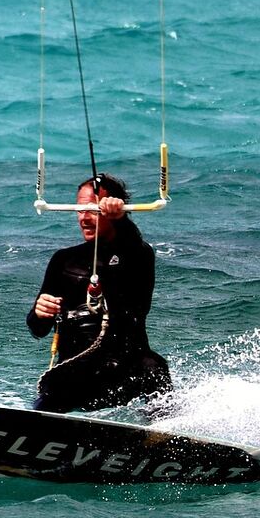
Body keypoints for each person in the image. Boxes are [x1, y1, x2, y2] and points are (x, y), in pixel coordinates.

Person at [27, 173, 172, 413]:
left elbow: (132, 250)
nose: (84, 218)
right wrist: (39, 313)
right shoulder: (63, 261)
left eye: (92, 210)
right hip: (78, 372)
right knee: (52, 390)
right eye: (79, 210)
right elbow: (37, 329)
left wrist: (121, 219)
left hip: (126, 372)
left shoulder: (138, 255)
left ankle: (163, 438)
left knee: (154, 367)